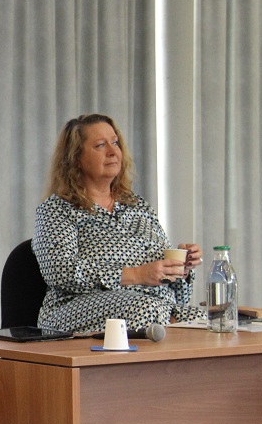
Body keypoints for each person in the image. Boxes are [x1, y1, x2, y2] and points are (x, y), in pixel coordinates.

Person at [33, 113, 206, 333]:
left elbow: (179, 296)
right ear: (75, 158)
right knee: (145, 310)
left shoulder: (138, 206)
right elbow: (60, 272)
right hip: (76, 310)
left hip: (156, 307)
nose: (113, 151)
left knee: (215, 320)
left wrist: (181, 268)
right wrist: (137, 274)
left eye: (115, 143)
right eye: (100, 145)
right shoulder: (57, 209)